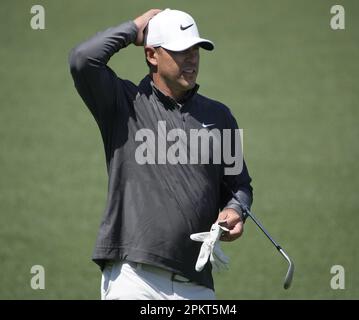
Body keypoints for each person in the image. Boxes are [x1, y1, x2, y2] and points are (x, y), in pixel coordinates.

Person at [69, 8, 253, 300]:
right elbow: (83, 60)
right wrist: (134, 28)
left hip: (196, 284)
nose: (192, 58)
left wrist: (235, 211)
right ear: (152, 55)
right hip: (133, 278)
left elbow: (239, 186)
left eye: (196, 49)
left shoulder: (220, 116)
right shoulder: (123, 104)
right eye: (181, 51)